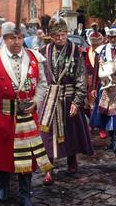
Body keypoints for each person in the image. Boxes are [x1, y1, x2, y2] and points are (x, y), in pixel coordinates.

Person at [0, 21, 53, 206]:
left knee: (27, 156)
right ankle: (3, 185)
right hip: (1, 116)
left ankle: (25, 195)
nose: (16, 42)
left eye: (19, 38)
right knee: (2, 154)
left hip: (27, 117)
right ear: (5, 39)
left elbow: (43, 83)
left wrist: (37, 100)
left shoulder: (34, 57)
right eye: (12, 38)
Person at [39, 16, 94, 185]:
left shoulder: (75, 51)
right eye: (56, 35)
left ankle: (72, 161)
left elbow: (81, 77)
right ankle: (48, 169)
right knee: (47, 136)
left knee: (71, 132)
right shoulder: (42, 51)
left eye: (63, 34)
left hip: (69, 97)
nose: (60, 38)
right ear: (51, 36)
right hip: (49, 99)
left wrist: (77, 101)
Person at [89, 26, 116, 155]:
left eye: (115, 37)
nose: (112, 39)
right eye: (110, 37)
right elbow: (96, 70)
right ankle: (112, 140)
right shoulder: (102, 50)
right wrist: (94, 87)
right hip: (104, 87)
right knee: (106, 115)